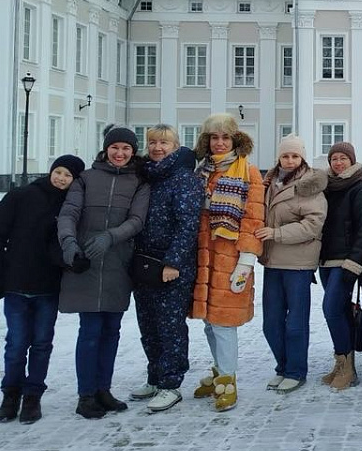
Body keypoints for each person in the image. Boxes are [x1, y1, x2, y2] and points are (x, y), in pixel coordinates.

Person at [0, 154, 85, 424]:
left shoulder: (71, 207)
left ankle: (32, 396)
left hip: (48, 287)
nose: (61, 178)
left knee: (41, 343)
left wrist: (73, 262)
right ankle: (10, 394)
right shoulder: (21, 196)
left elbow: (66, 246)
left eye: (68, 176)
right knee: (16, 344)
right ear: (51, 171)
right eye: (59, 172)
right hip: (16, 285)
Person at [57, 127, 151, 419]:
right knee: (90, 331)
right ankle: (86, 395)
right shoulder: (86, 179)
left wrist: (110, 237)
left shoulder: (139, 182)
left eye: (126, 148)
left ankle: (103, 390)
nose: (120, 153)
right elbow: (69, 213)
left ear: (133, 151)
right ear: (106, 149)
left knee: (111, 331)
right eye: (115, 147)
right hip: (85, 262)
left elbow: (137, 220)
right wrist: (69, 244)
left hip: (117, 263)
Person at [190, 113, 265, 412]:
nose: (219, 143)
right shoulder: (201, 171)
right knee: (209, 322)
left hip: (231, 257)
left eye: (225, 137)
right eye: (214, 137)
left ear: (235, 140)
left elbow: (253, 219)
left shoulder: (249, 172)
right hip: (202, 256)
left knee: (223, 323)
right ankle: (219, 369)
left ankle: (228, 381)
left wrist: (246, 261)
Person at [130, 125, 203, 413]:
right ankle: (155, 377)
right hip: (144, 262)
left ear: (175, 146)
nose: (157, 147)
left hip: (170, 265)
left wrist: (173, 262)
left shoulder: (184, 179)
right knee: (148, 325)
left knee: (169, 327)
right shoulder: (147, 176)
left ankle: (171, 384)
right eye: (152, 142)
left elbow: (188, 225)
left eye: (164, 143)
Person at [256, 134, 328, 394]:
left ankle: (296, 371)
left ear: (302, 158)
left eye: (295, 156)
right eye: (285, 156)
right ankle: (283, 366)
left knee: (295, 322)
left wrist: (276, 233)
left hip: (298, 262)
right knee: (271, 322)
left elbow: (313, 224)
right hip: (272, 261)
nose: (289, 160)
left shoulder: (309, 185)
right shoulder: (268, 183)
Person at [318, 141, 362, 391]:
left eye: (343, 158)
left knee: (331, 309)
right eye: (334, 159)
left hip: (345, 262)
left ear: (351, 160)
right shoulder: (326, 187)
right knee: (339, 311)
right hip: (325, 260)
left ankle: (347, 368)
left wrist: (354, 262)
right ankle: (342, 363)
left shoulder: (360, 188)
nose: (338, 163)